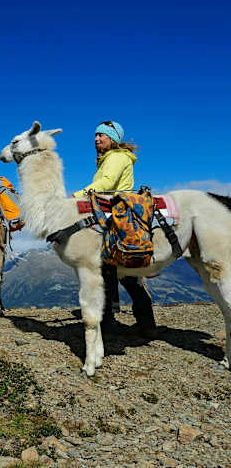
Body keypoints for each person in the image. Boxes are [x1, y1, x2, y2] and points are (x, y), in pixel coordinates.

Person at [72, 120, 158, 337]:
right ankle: (146, 323)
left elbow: (107, 183)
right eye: (95, 135)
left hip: (118, 213)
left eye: (102, 135)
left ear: (113, 139)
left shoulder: (117, 157)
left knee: (108, 266)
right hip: (119, 211)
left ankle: (109, 323)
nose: (96, 139)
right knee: (126, 274)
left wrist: (78, 195)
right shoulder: (108, 158)